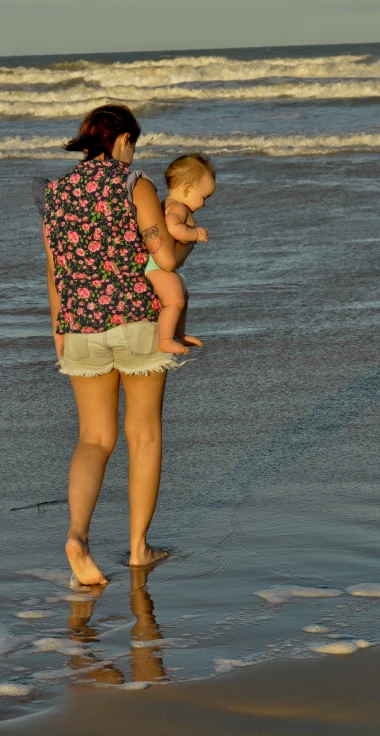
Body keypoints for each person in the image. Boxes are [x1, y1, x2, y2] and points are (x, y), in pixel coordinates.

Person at [37, 104, 192, 586]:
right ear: (121, 139)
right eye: (133, 143)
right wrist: (190, 241)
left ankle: (78, 536)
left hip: (79, 326)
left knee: (93, 438)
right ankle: (138, 549)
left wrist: (59, 327)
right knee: (142, 434)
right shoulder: (133, 184)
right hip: (136, 321)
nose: (133, 153)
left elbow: (55, 270)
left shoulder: (55, 194)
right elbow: (164, 256)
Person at [145, 153, 216, 354]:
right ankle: (166, 339)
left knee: (182, 296)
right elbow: (173, 228)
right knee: (175, 301)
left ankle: (180, 334)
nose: (204, 204)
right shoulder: (177, 208)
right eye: (204, 197)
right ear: (187, 189)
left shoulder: (170, 203)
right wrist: (195, 234)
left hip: (159, 263)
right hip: (157, 266)